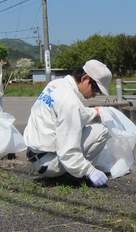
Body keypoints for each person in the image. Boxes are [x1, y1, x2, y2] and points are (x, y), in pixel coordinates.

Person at [23, 59, 113, 187]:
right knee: (100, 130)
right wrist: (90, 171)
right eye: (95, 89)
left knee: (83, 127)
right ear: (85, 78)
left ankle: (71, 170)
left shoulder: (56, 85)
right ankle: (73, 175)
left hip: (38, 158)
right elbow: (67, 152)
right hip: (51, 164)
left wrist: (93, 112)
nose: (94, 95)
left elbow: (75, 114)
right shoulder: (71, 103)